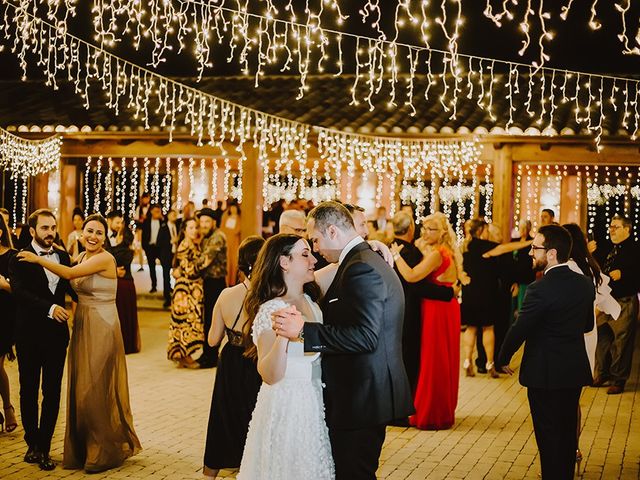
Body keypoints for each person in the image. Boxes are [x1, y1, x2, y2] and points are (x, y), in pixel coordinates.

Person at [274, 202, 413, 479]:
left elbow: (365, 336)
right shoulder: (359, 261)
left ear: (333, 231)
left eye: (315, 239)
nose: (315, 249)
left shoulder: (362, 268)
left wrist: (304, 330)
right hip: (363, 392)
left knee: (354, 473)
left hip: (362, 396)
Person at [16, 212, 142, 472]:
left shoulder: (105, 258)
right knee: (81, 387)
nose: (93, 236)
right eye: (89, 231)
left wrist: (37, 258)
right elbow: (67, 283)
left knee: (92, 390)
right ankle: (83, 447)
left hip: (102, 325)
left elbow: (69, 273)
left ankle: (102, 449)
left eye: (98, 232)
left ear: (105, 236)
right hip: (82, 324)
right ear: (81, 233)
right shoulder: (82, 256)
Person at [497, 224, 594, 480]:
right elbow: (587, 325)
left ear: (551, 253)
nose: (531, 252)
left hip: (544, 373)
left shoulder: (539, 289)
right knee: (566, 432)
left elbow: (521, 328)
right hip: (573, 370)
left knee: (548, 436)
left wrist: (503, 357)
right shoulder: (584, 284)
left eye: (535, 247)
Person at [237, 233, 333, 479]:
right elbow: (269, 375)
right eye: (304, 255)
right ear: (284, 262)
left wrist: (373, 245)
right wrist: (283, 336)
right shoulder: (270, 310)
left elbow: (343, 262)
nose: (313, 260)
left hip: (313, 405)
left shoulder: (311, 302)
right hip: (285, 408)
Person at [9, 209, 77, 471]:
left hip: (57, 337)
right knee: (28, 390)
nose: (50, 232)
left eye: (53, 227)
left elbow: (72, 286)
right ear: (32, 230)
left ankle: (45, 447)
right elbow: (20, 292)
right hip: (28, 335)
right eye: (45, 228)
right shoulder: (19, 258)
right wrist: (50, 309)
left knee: (52, 392)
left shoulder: (63, 256)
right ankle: (32, 442)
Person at [391, 212, 464, 430]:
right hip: (444, 308)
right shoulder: (442, 251)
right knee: (439, 359)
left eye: (431, 229)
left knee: (434, 360)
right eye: (424, 228)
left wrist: (396, 255)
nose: (425, 232)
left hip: (437, 310)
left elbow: (412, 277)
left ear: (443, 231)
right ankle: (438, 409)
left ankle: (431, 411)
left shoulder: (437, 254)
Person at [202, 236, 265, 479]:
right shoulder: (270, 297)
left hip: (230, 361)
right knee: (253, 416)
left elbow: (212, 340)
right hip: (257, 360)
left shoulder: (226, 295)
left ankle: (210, 474)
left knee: (222, 415)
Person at [563, 223, 620, 467]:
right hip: (587, 337)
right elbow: (609, 305)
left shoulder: (570, 268)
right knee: (572, 397)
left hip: (571, 337)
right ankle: (572, 445)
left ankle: (567, 446)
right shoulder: (590, 266)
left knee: (565, 397)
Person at [591, 214, 640, 394]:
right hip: (607, 301)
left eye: (615, 227)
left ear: (627, 229)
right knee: (602, 337)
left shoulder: (635, 249)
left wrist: (624, 274)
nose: (611, 229)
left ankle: (618, 379)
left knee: (622, 341)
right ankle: (602, 373)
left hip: (625, 301)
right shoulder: (611, 249)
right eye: (610, 226)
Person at [168, 218, 205, 368]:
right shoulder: (185, 245)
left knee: (189, 322)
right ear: (184, 230)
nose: (194, 230)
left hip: (191, 290)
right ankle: (184, 355)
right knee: (186, 323)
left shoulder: (193, 244)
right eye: (190, 228)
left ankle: (183, 355)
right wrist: (203, 264)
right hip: (185, 291)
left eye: (196, 227)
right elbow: (188, 270)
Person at [195, 208, 227, 368]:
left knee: (213, 321)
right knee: (206, 320)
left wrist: (186, 267)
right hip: (208, 282)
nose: (204, 225)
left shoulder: (217, 237)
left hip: (216, 283)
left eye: (207, 221)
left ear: (213, 222)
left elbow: (204, 261)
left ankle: (211, 356)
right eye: (201, 222)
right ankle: (207, 353)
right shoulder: (206, 237)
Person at [0, 213, 18, 433]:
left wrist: (5, 285)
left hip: (4, 317)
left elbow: (21, 290)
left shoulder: (12, 257)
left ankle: (8, 407)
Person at [111, 223, 141, 354]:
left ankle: (123, 345)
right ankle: (127, 344)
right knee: (126, 315)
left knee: (122, 315)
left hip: (122, 285)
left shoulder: (120, 251)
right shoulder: (127, 250)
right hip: (127, 285)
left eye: (119, 233)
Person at [141, 204, 173, 306]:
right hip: (150, 247)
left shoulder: (163, 221)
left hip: (160, 248)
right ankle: (153, 285)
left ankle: (167, 288)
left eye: (159, 211)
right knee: (151, 267)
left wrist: (162, 219)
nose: (157, 213)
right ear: (151, 211)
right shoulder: (146, 222)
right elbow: (144, 235)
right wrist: (144, 247)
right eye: (155, 211)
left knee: (165, 268)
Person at [221, 203, 241, 286]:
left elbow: (237, 230)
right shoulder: (226, 216)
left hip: (234, 243)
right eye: (231, 208)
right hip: (226, 242)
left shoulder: (239, 218)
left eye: (234, 208)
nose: (233, 210)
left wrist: (228, 231)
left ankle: (232, 282)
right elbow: (222, 228)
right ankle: (225, 282)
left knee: (234, 262)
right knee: (226, 262)